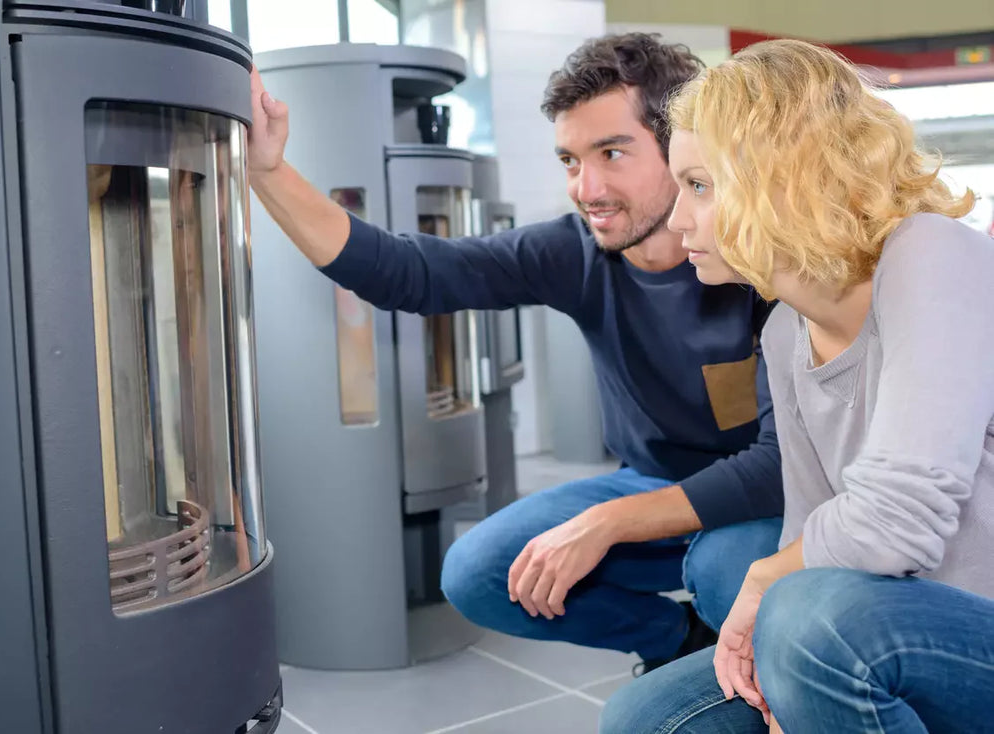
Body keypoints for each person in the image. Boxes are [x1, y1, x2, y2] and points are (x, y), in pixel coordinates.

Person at [247, 33, 785, 672]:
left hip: (760, 502)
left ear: (683, 149)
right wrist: (268, 171)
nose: (587, 188)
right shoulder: (573, 253)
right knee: (478, 573)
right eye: (569, 160)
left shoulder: (762, 262)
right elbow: (407, 273)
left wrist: (611, 523)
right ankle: (679, 642)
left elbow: (778, 466)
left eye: (612, 153)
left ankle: (753, 685)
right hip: (650, 481)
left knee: (728, 570)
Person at [601, 38, 994, 733]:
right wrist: (784, 675)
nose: (679, 218)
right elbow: (808, 523)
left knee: (807, 619)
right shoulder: (785, 331)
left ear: (785, 176)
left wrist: (767, 591)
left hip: (957, 633)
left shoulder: (933, 252)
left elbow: (897, 519)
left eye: (699, 185)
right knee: (646, 718)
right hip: (884, 627)